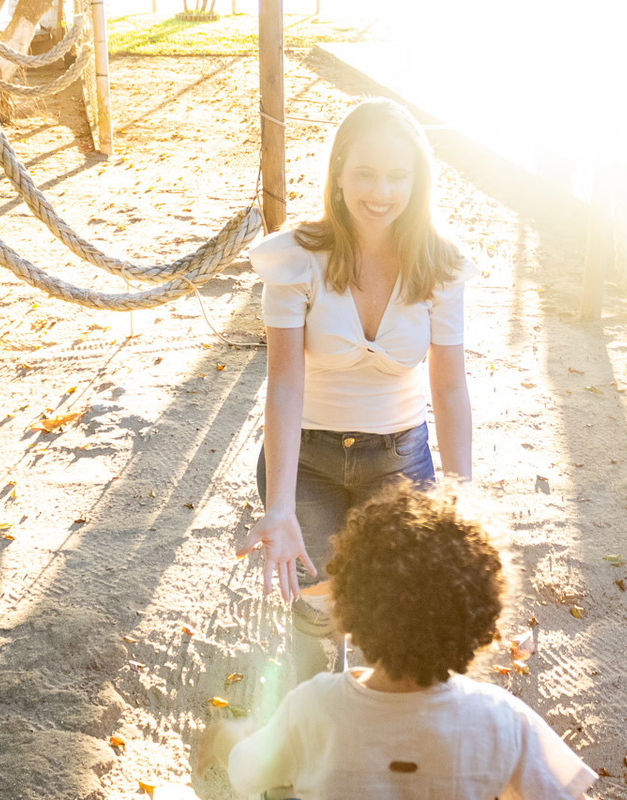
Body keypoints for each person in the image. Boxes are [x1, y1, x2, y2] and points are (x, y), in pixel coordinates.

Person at [236, 97, 477, 676]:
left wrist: (460, 498)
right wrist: (280, 506)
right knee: (317, 623)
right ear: (339, 172)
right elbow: (284, 383)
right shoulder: (295, 259)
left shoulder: (440, 265)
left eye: (398, 176)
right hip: (307, 459)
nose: (381, 192)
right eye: (365, 172)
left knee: (389, 634)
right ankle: (315, 724)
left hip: (400, 461)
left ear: (417, 180)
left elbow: (449, 388)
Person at [201, 483, 599, 799]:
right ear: (478, 618)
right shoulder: (502, 720)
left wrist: (226, 739)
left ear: (350, 606)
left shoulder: (312, 707)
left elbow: (247, 773)